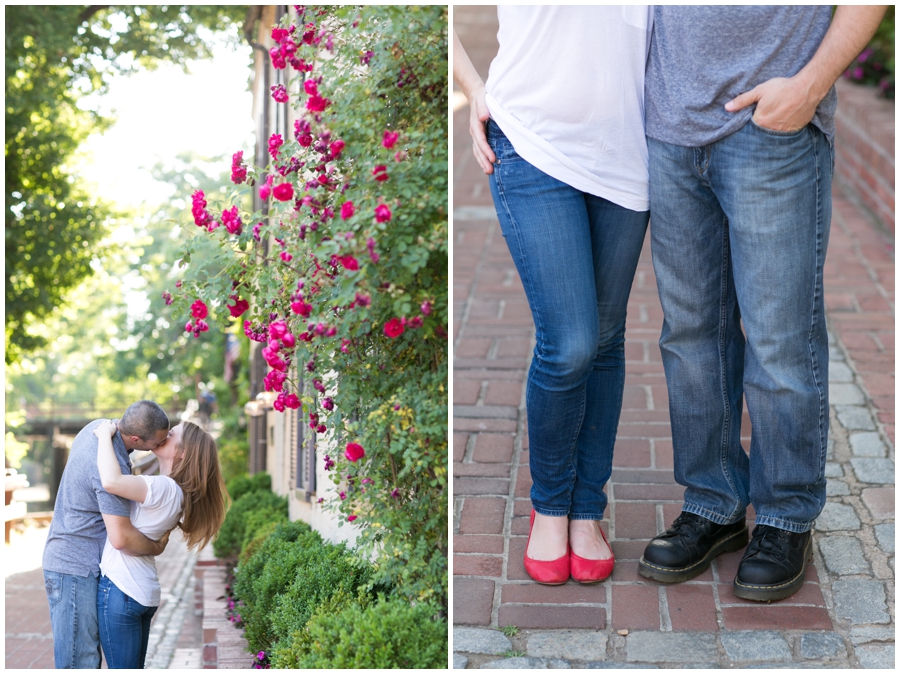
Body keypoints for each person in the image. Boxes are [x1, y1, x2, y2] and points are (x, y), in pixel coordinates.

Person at [638, 6, 887, 602]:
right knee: (691, 335)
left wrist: (809, 85)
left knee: (780, 340)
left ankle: (785, 518)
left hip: (771, 128)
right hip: (670, 129)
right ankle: (713, 503)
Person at [454, 6, 653, 584]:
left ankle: (587, 508)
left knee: (607, 338)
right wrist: (473, 87)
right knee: (570, 343)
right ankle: (550, 504)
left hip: (627, 152)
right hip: (532, 143)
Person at [42, 400, 171, 668]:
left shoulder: (97, 428)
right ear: (136, 438)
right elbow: (121, 538)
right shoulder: (112, 470)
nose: (161, 446)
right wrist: (156, 547)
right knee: (81, 662)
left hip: (69, 560)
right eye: (157, 443)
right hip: (76, 568)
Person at [94, 418, 229, 668]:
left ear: (182, 453)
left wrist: (104, 435)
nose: (164, 434)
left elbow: (111, 481)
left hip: (122, 588)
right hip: (138, 590)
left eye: (171, 434)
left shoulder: (163, 488)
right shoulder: (175, 491)